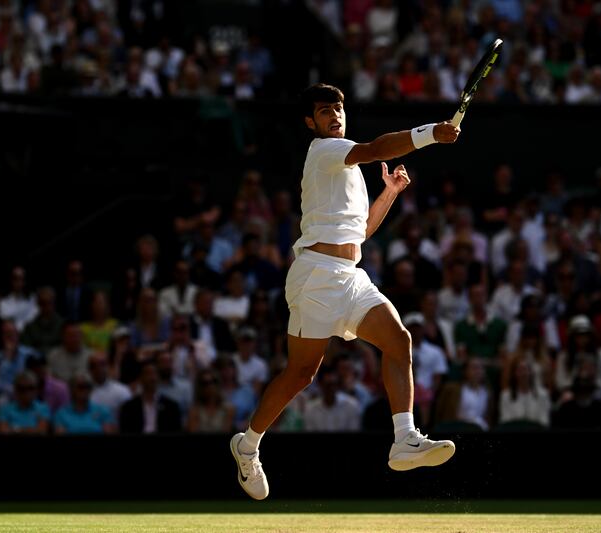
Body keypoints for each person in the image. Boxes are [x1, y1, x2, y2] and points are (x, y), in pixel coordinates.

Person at [230, 84, 459, 500]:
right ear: (310, 122)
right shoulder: (324, 150)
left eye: (337, 108)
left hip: (350, 274)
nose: (334, 115)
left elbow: (360, 234)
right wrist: (429, 134)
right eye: (323, 111)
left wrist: (389, 193)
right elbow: (377, 148)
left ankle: (404, 439)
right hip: (315, 275)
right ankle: (247, 447)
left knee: (399, 340)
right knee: (302, 373)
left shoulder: (348, 168)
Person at [119, 359, 183, 434]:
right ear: (140, 378)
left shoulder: (172, 407)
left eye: (155, 373)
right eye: (148, 373)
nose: (152, 378)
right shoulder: (128, 408)